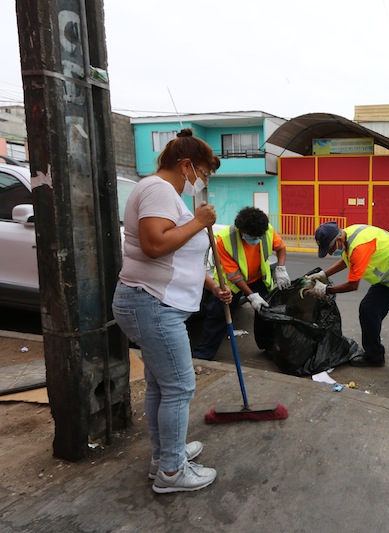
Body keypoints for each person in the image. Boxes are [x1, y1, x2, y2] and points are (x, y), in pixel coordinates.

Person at [112, 129, 230, 494]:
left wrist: (212, 285)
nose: (203, 182)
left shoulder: (167, 195)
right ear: (186, 165)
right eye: (203, 174)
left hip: (156, 303)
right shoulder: (158, 190)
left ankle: (165, 456)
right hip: (152, 304)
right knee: (179, 386)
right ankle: (171, 473)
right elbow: (154, 245)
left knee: (161, 386)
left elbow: (181, 256)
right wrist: (199, 221)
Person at [304, 221, 389, 402]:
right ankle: (374, 356)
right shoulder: (348, 239)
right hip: (388, 278)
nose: (331, 253)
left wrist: (325, 290)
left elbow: (353, 285)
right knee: (368, 310)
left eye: (331, 248)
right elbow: (347, 260)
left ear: (339, 239)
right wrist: (325, 274)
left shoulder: (359, 245)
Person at [192, 206, 290, 360]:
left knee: (265, 313)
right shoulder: (224, 240)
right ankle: (203, 354)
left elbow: (281, 248)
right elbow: (234, 275)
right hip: (230, 284)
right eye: (252, 236)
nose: (256, 239)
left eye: (259, 236)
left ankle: (268, 347)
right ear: (241, 230)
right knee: (217, 316)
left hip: (258, 278)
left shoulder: (266, 230)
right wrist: (251, 296)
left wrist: (281, 267)